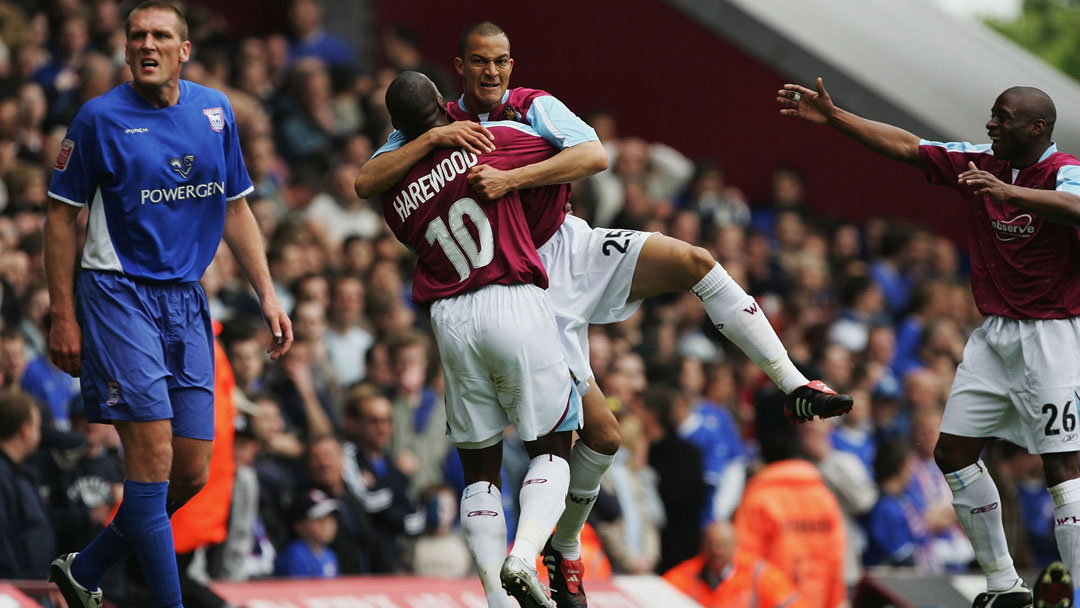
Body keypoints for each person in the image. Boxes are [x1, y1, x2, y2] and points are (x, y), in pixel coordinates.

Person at [356, 23, 854, 608]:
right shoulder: (439, 127)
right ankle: (564, 550)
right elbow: (368, 177)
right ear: (458, 69)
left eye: (502, 62)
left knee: (695, 259)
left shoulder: (531, 106)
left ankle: (793, 383)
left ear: (513, 65)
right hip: (521, 285)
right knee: (602, 434)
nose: (493, 73)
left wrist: (514, 178)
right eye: (480, 63)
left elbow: (594, 155)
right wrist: (438, 142)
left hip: (565, 250)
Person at [778, 77, 1080, 608]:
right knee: (953, 453)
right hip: (995, 334)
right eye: (992, 114)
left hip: (1053, 333)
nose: (991, 123)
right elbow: (905, 146)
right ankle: (1005, 585)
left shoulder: (1065, 171)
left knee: (1063, 467)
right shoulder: (978, 161)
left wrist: (1011, 193)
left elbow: (1075, 206)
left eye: (1003, 117)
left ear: (1036, 128)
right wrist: (835, 117)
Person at [44, 3, 292, 607]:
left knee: (190, 473)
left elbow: (236, 206)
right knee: (152, 459)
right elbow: (59, 216)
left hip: (187, 299)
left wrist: (267, 293)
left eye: (160, 36)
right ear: (126, 50)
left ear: (184, 50)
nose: (147, 45)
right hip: (117, 294)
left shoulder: (215, 111)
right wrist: (62, 312)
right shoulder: (97, 119)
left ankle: (88, 569)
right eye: (137, 36)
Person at [379, 70, 578, 608]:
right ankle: (525, 555)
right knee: (555, 445)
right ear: (444, 108)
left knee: (479, 467)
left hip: (450, 318)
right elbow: (570, 155)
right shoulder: (490, 142)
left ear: (397, 130)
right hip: (510, 295)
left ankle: (494, 593)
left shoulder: (391, 190)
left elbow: (380, 180)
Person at [663, 520, 809, 608]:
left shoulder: (759, 575)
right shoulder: (685, 576)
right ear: (702, 547)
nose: (717, 550)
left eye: (724, 545)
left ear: (736, 547)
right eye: (711, 544)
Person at [0, 391, 54, 579]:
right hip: (18, 591)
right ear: (25, 430)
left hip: (34, 586)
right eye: (37, 427)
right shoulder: (3, 477)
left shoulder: (20, 473)